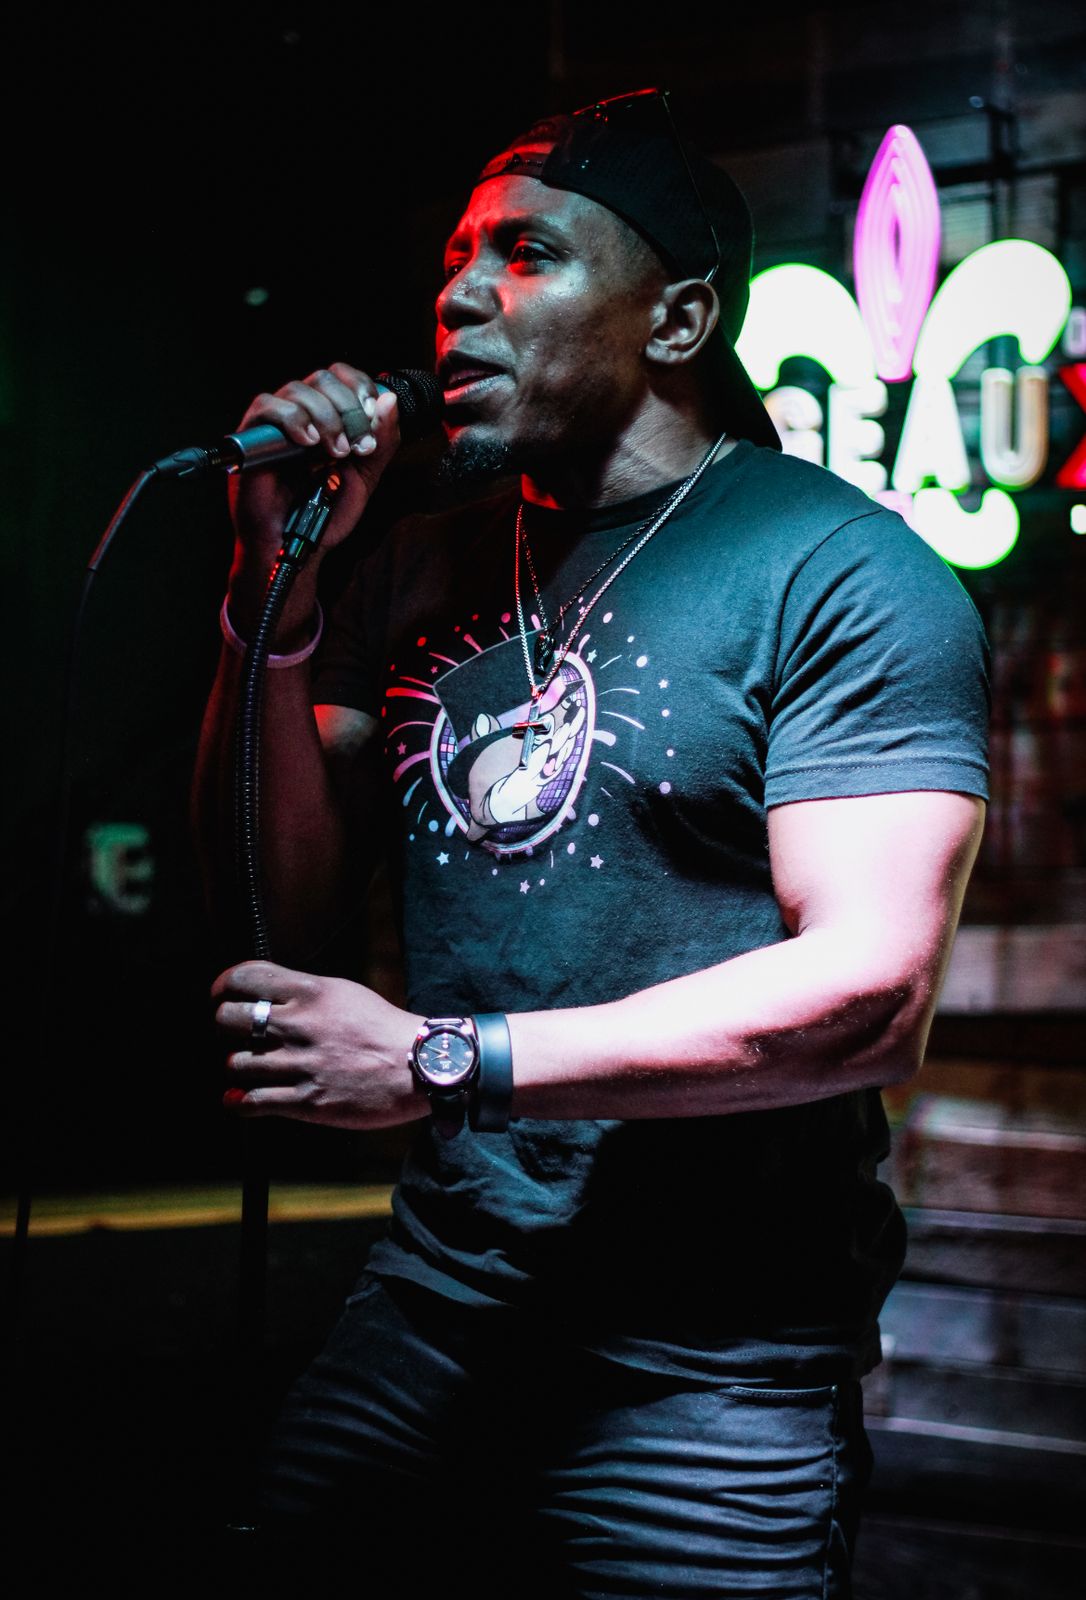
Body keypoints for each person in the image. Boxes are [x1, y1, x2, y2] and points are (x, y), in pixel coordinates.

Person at [193, 88, 989, 1597]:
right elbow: (270, 915)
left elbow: (869, 997)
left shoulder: (837, 571)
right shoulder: (416, 565)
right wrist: (273, 584)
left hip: (712, 1365)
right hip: (437, 1305)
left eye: (527, 254)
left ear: (677, 317)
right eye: (453, 258)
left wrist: (444, 1060)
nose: (456, 295)